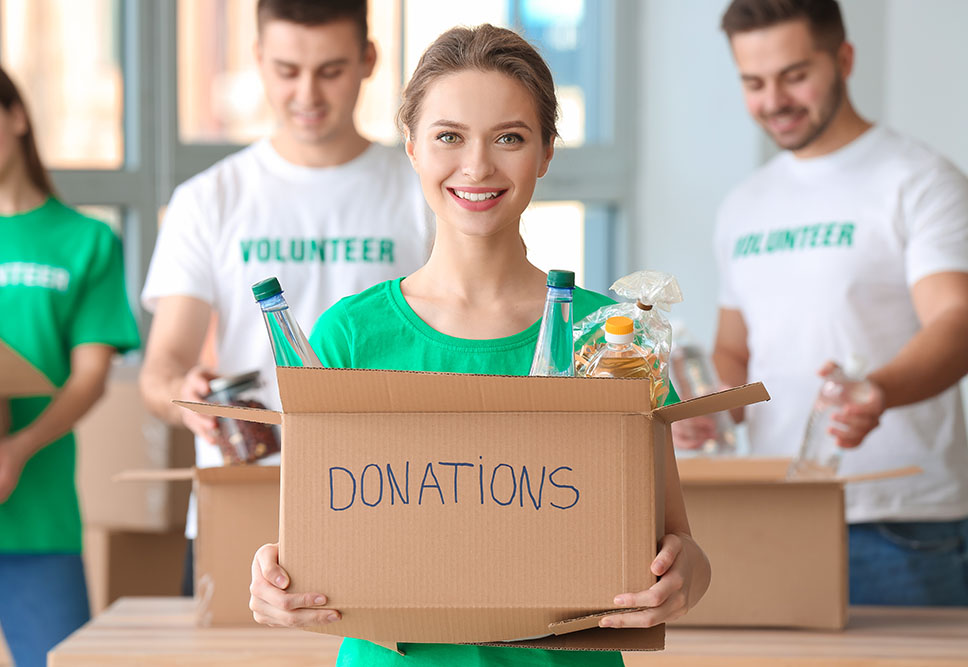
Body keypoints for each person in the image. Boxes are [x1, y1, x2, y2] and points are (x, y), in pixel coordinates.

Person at [247, 24, 711, 666]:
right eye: (448, 137)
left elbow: (681, 546)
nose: (477, 166)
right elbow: (312, 540)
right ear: (410, 146)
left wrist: (683, 579)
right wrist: (274, 582)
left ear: (547, 152)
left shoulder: (610, 335)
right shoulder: (348, 335)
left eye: (510, 139)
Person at [139, 0, 433, 595]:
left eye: (330, 70)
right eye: (286, 70)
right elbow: (162, 368)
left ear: (367, 61)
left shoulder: (422, 190)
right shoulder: (210, 199)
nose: (307, 93)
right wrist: (185, 398)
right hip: (245, 495)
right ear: (258, 61)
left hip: (391, 494)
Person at [683, 0, 968, 605]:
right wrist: (707, 412)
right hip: (772, 509)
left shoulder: (917, 180)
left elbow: (957, 320)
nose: (774, 100)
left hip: (898, 522)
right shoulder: (744, 205)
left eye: (795, 75)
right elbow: (736, 349)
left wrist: (880, 390)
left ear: (844, 58)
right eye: (753, 83)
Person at [0, 55, 140, 667]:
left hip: (37, 503)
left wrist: (20, 446)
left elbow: (90, 374)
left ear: (16, 117)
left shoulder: (86, 241)